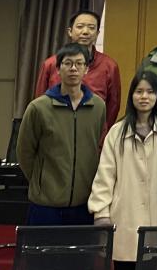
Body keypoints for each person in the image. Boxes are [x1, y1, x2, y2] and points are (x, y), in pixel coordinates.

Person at [89, 70, 157, 270]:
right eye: (139, 91)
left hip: (156, 219)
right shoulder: (117, 132)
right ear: (131, 96)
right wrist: (101, 212)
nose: (144, 97)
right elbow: (105, 175)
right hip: (124, 219)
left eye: (150, 92)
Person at [16, 43, 107, 225]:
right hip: (46, 204)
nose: (73, 68)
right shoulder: (38, 108)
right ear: (58, 69)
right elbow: (25, 152)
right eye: (68, 63)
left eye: (79, 63)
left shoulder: (98, 107)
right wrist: (41, 182)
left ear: (86, 69)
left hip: (84, 203)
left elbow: (96, 145)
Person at [33, 9, 121, 140]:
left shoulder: (109, 66)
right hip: (55, 134)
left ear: (97, 33)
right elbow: (39, 102)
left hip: (93, 136)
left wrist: (101, 136)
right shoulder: (51, 64)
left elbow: (112, 107)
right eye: (80, 27)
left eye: (91, 28)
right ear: (70, 31)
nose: (85, 32)